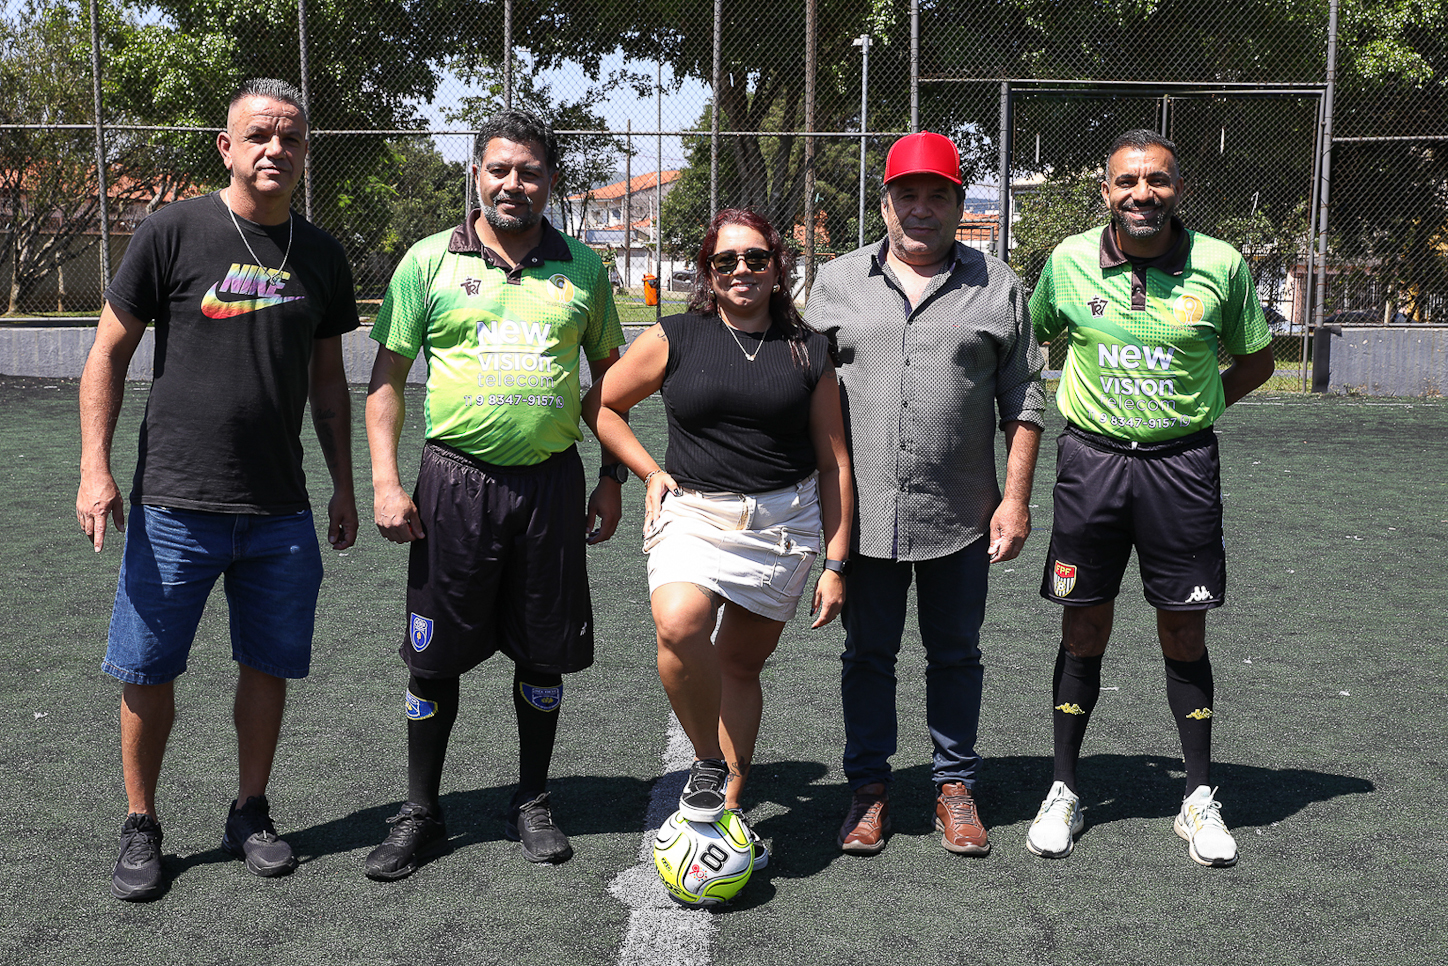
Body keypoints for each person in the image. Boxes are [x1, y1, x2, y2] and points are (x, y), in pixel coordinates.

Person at [76, 78, 359, 902]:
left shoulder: (322, 254)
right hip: (173, 505)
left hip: (280, 511)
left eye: (292, 138)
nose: (277, 148)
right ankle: (142, 824)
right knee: (147, 667)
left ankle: (250, 810)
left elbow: (329, 385)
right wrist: (95, 467)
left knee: (266, 664)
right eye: (260, 134)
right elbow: (107, 353)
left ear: (305, 155)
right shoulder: (171, 231)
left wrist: (344, 485)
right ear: (226, 147)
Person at [363, 109, 626, 879]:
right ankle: (420, 811)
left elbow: (610, 381)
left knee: (541, 655)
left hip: (549, 486)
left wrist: (611, 477)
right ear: (477, 173)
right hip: (453, 486)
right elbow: (386, 381)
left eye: (531, 170)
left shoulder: (582, 267)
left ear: (551, 180)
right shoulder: (426, 263)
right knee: (432, 659)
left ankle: (532, 799)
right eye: (500, 169)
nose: (515, 183)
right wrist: (384, 479)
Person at [1024, 129, 1274, 867]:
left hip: (1181, 471)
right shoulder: (1067, 262)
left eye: (1158, 181)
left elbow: (1256, 358)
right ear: (1105, 192)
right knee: (1083, 627)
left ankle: (1197, 797)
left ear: (1178, 189)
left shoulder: (1221, 264)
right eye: (1128, 181)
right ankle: (1064, 789)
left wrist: (1197, 410)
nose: (1142, 194)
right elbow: (1029, 341)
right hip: (1092, 465)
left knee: (1185, 631)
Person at [583, 208, 852, 868]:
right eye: (725, 261)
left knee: (739, 666)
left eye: (755, 258)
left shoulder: (809, 347)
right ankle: (707, 761)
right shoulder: (676, 336)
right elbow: (601, 405)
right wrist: (646, 471)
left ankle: (726, 810)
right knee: (678, 623)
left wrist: (836, 560)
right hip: (693, 513)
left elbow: (834, 461)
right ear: (707, 270)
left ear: (776, 265)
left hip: (783, 525)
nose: (741, 271)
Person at [806, 131, 1045, 857]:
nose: (921, 208)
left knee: (957, 653)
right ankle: (870, 790)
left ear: (957, 202)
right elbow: (801, 391)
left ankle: (953, 785)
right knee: (867, 656)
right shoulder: (835, 283)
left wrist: (1016, 497)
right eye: (906, 194)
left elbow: (1025, 396)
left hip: (961, 513)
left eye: (936, 195)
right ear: (884, 202)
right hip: (863, 514)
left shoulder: (998, 285)